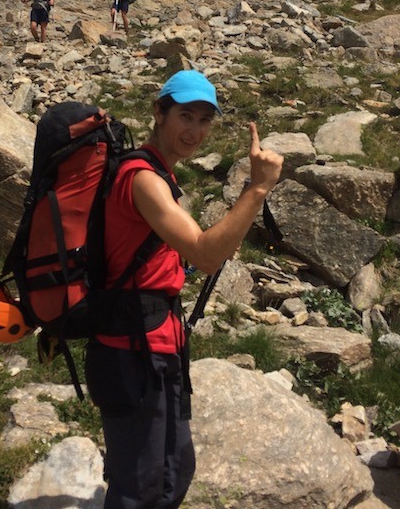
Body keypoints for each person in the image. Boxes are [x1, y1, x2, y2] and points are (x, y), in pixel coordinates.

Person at [85, 69, 284, 509]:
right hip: (131, 350)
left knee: (175, 469)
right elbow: (206, 255)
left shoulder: (160, 173)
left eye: (205, 120)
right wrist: (258, 187)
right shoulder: (143, 179)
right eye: (186, 116)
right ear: (159, 112)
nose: (195, 131)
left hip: (159, 342)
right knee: (139, 487)